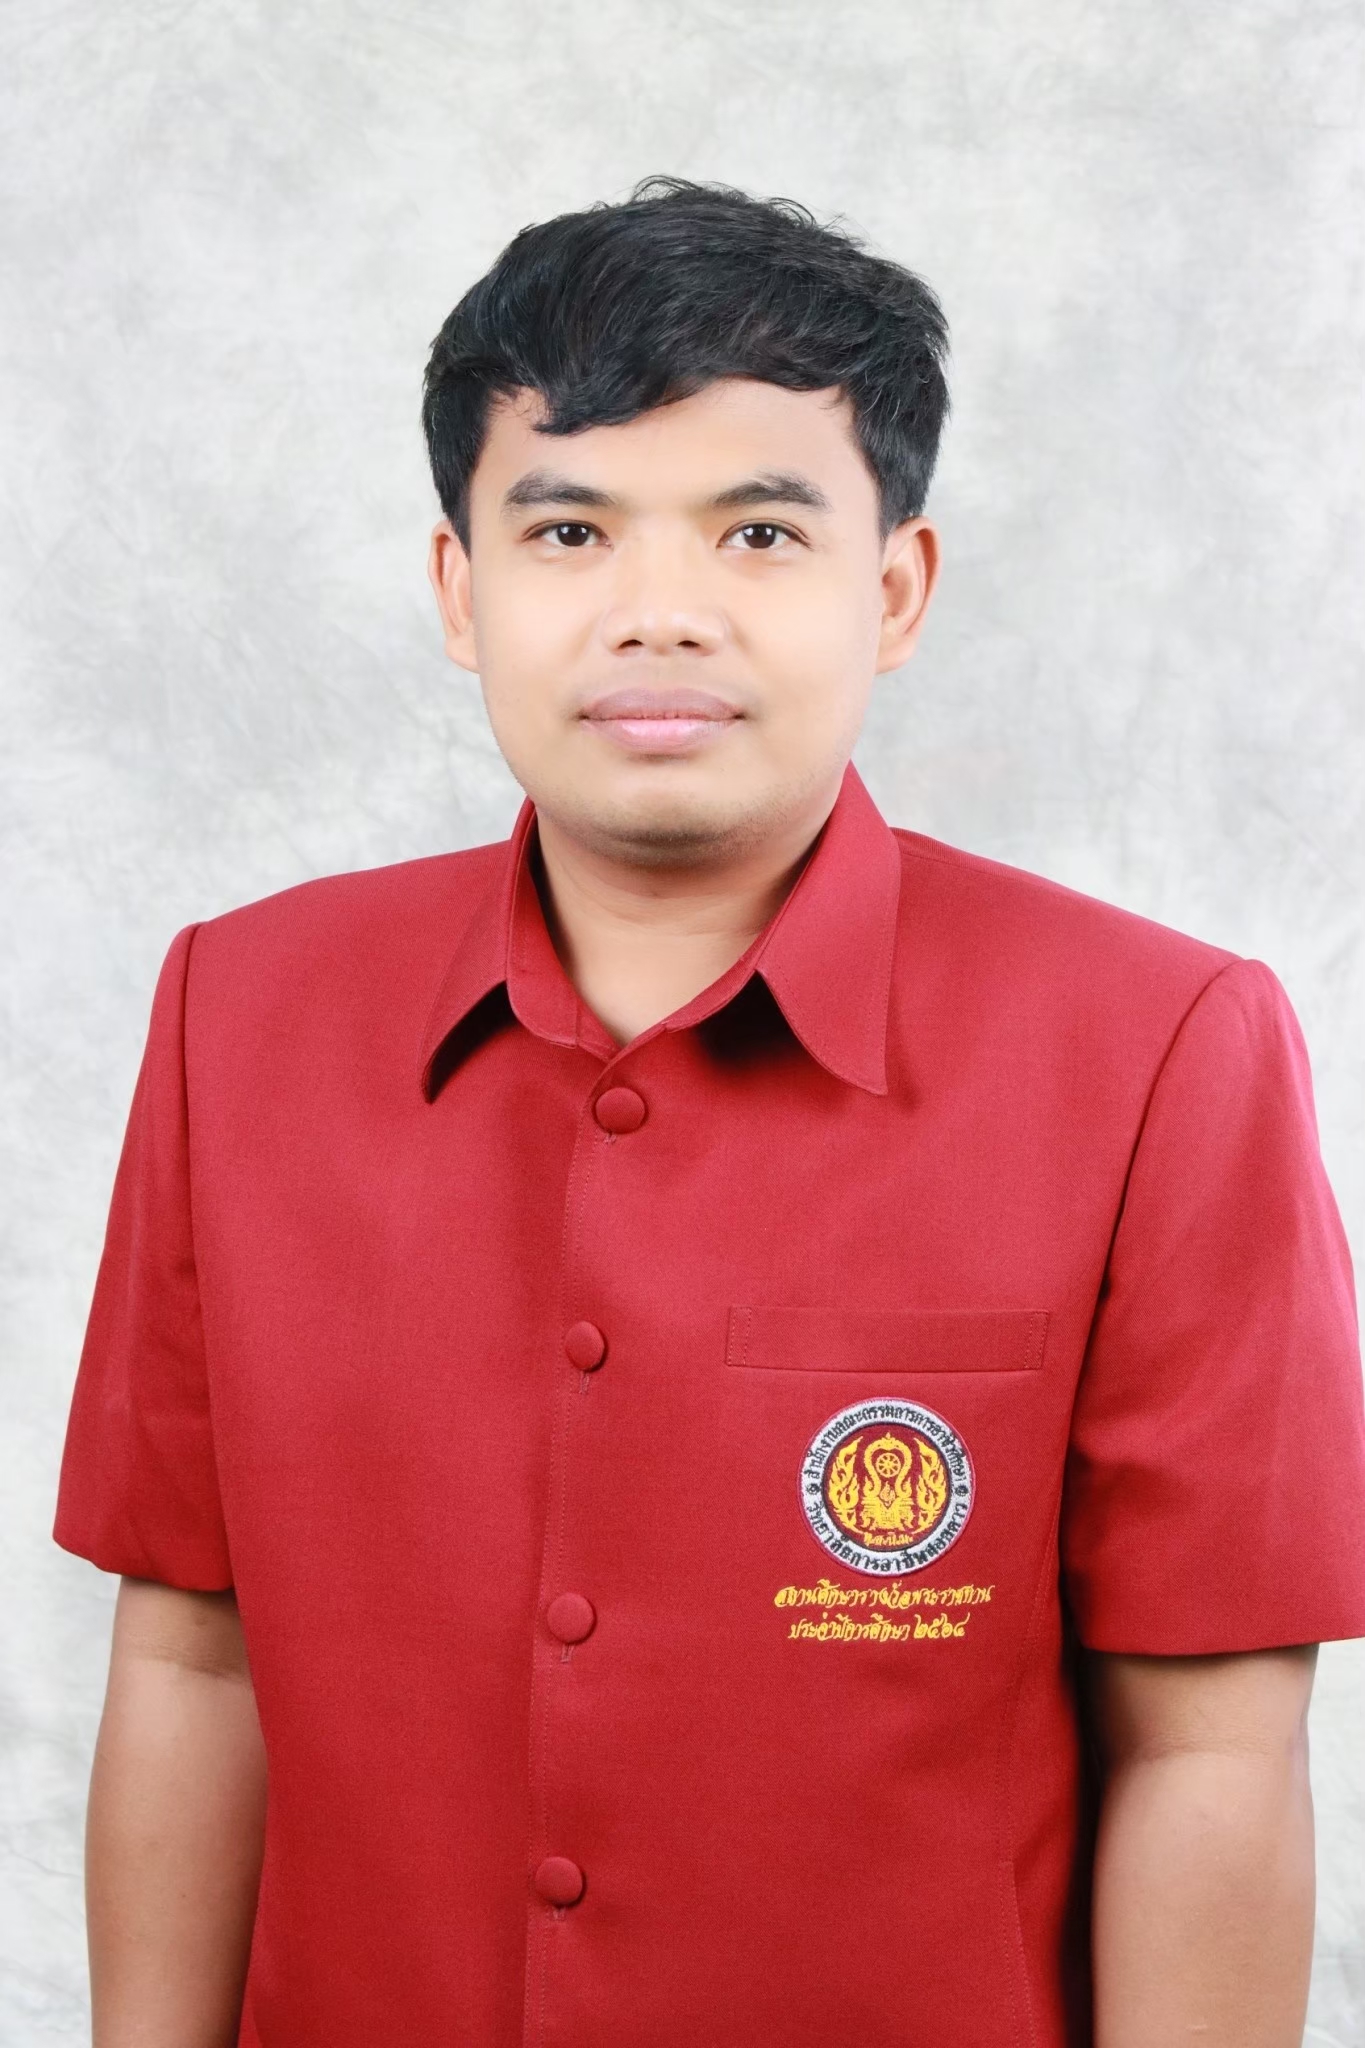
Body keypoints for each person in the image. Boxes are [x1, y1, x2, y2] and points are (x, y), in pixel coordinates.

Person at [54, 175, 1365, 2048]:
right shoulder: (237, 1018)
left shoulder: (1159, 1050)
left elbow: (1210, 1749)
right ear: (461, 591)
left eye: (757, 532)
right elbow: (193, 1663)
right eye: (568, 529)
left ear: (891, 589)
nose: (658, 614)